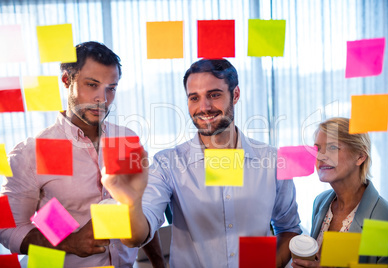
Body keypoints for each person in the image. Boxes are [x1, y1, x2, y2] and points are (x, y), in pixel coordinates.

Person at [101, 59, 302, 267]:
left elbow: (289, 228)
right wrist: (130, 202)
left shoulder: (273, 161)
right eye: (194, 98)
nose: (204, 107)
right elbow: (136, 238)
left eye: (214, 95)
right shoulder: (168, 164)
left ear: (235, 95)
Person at [0, 41, 164, 268]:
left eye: (111, 88)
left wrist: (160, 264)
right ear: (67, 80)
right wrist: (69, 242)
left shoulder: (127, 140)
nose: (102, 99)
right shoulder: (30, 153)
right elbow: (10, 228)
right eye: (92, 85)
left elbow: (142, 211)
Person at [291, 117, 388, 268]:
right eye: (317, 148)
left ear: (360, 156)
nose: (320, 156)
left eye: (332, 148)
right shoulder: (320, 202)